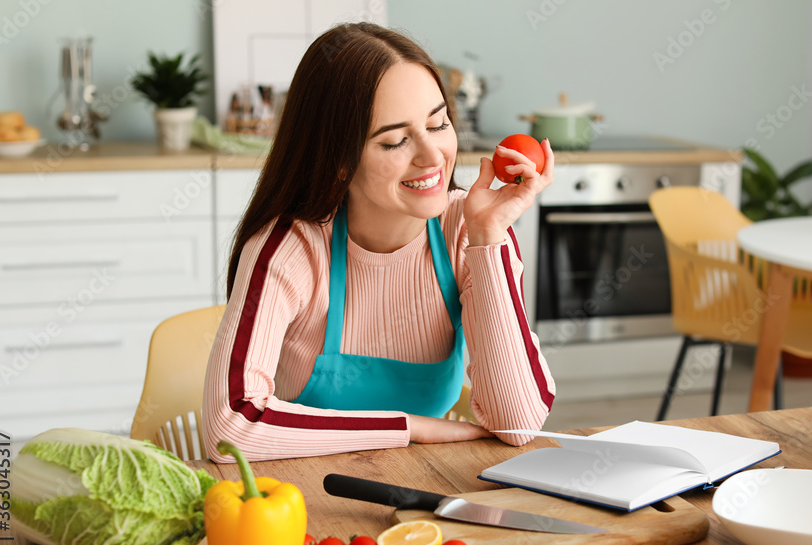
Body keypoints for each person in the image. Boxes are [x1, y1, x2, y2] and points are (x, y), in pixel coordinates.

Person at [202, 22, 556, 462]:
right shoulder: (291, 248)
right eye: (395, 141)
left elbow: (518, 421)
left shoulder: (469, 230)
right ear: (338, 161)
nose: (433, 157)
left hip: (424, 488)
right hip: (305, 492)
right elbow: (231, 427)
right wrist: (409, 428)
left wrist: (487, 238)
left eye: (439, 123)